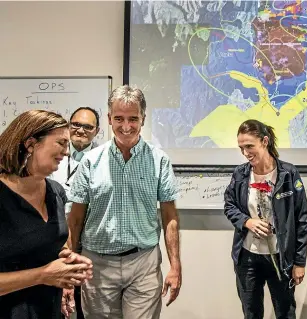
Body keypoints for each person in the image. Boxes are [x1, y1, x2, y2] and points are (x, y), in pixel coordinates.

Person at [67, 85, 182, 318]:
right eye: (119, 118)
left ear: (143, 119)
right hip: (97, 266)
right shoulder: (90, 162)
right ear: (109, 119)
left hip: (144, 263)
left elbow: (170, 218)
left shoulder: (159, 160)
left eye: (133, 119)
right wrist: (69, 270)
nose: (126, 126)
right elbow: (75, 219)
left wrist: (175, 266)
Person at [0, 110, 93, 319]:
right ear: (31, 144)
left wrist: (68, 261)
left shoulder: (56, 192)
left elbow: (56, 242)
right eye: (61, 143)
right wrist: (43, 275)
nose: (67, 152)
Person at [224, 119, 307, 319]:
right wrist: (247, 221)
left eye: (249, 146)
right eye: (241, 148)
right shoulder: (240, 174)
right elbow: (229, 205)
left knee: (285, 313)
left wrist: (299, 262)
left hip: (281, 258)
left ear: (264, 141)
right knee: (251, 313)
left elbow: (301, 219)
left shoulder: (288, 174)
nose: (245, 153)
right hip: (248, 258)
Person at [49, 106, 100, 319]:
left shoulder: (102, 159)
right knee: (54, 300)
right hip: (52, 237)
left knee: (83, 302)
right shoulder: (53, 155)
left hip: (86, 240)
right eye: (76, 124)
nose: (81, 130)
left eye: (88, 126)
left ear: (96, 131)